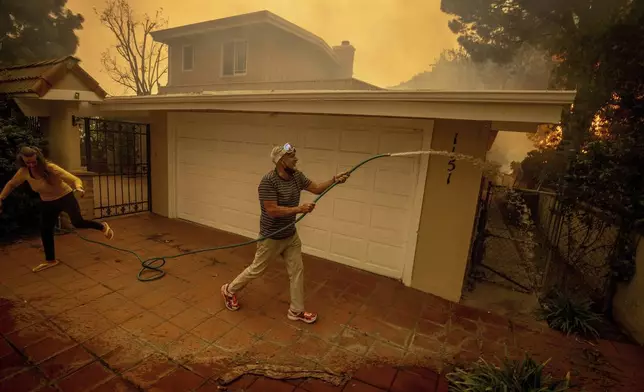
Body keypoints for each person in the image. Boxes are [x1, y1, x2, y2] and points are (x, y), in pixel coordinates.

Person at [220, 142, 349, 324]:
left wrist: (335, 180)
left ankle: (296, 311)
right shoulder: (268, 181)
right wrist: (299, 209)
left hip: (290, 235)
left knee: (297, 271)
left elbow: (317, 188)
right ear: (281, 161)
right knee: (257, 269)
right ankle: (229, 290)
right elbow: (272, 210)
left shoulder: (297, 176)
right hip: (271, 236)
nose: (296, 159)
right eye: (291, 157)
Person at [0, 146, 115, 272]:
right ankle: (50, 260)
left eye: (34, 161)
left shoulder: (50, 167)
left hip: (65, 197)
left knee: (77, 222)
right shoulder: (23, 172)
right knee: (45, 229)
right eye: (28, 162)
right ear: (22, 161)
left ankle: (102, 227)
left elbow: (74, 179)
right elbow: (12, 184)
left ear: (38, 158)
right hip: (47, 202)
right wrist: (1, 197)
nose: (32, 165)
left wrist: (79, 187)